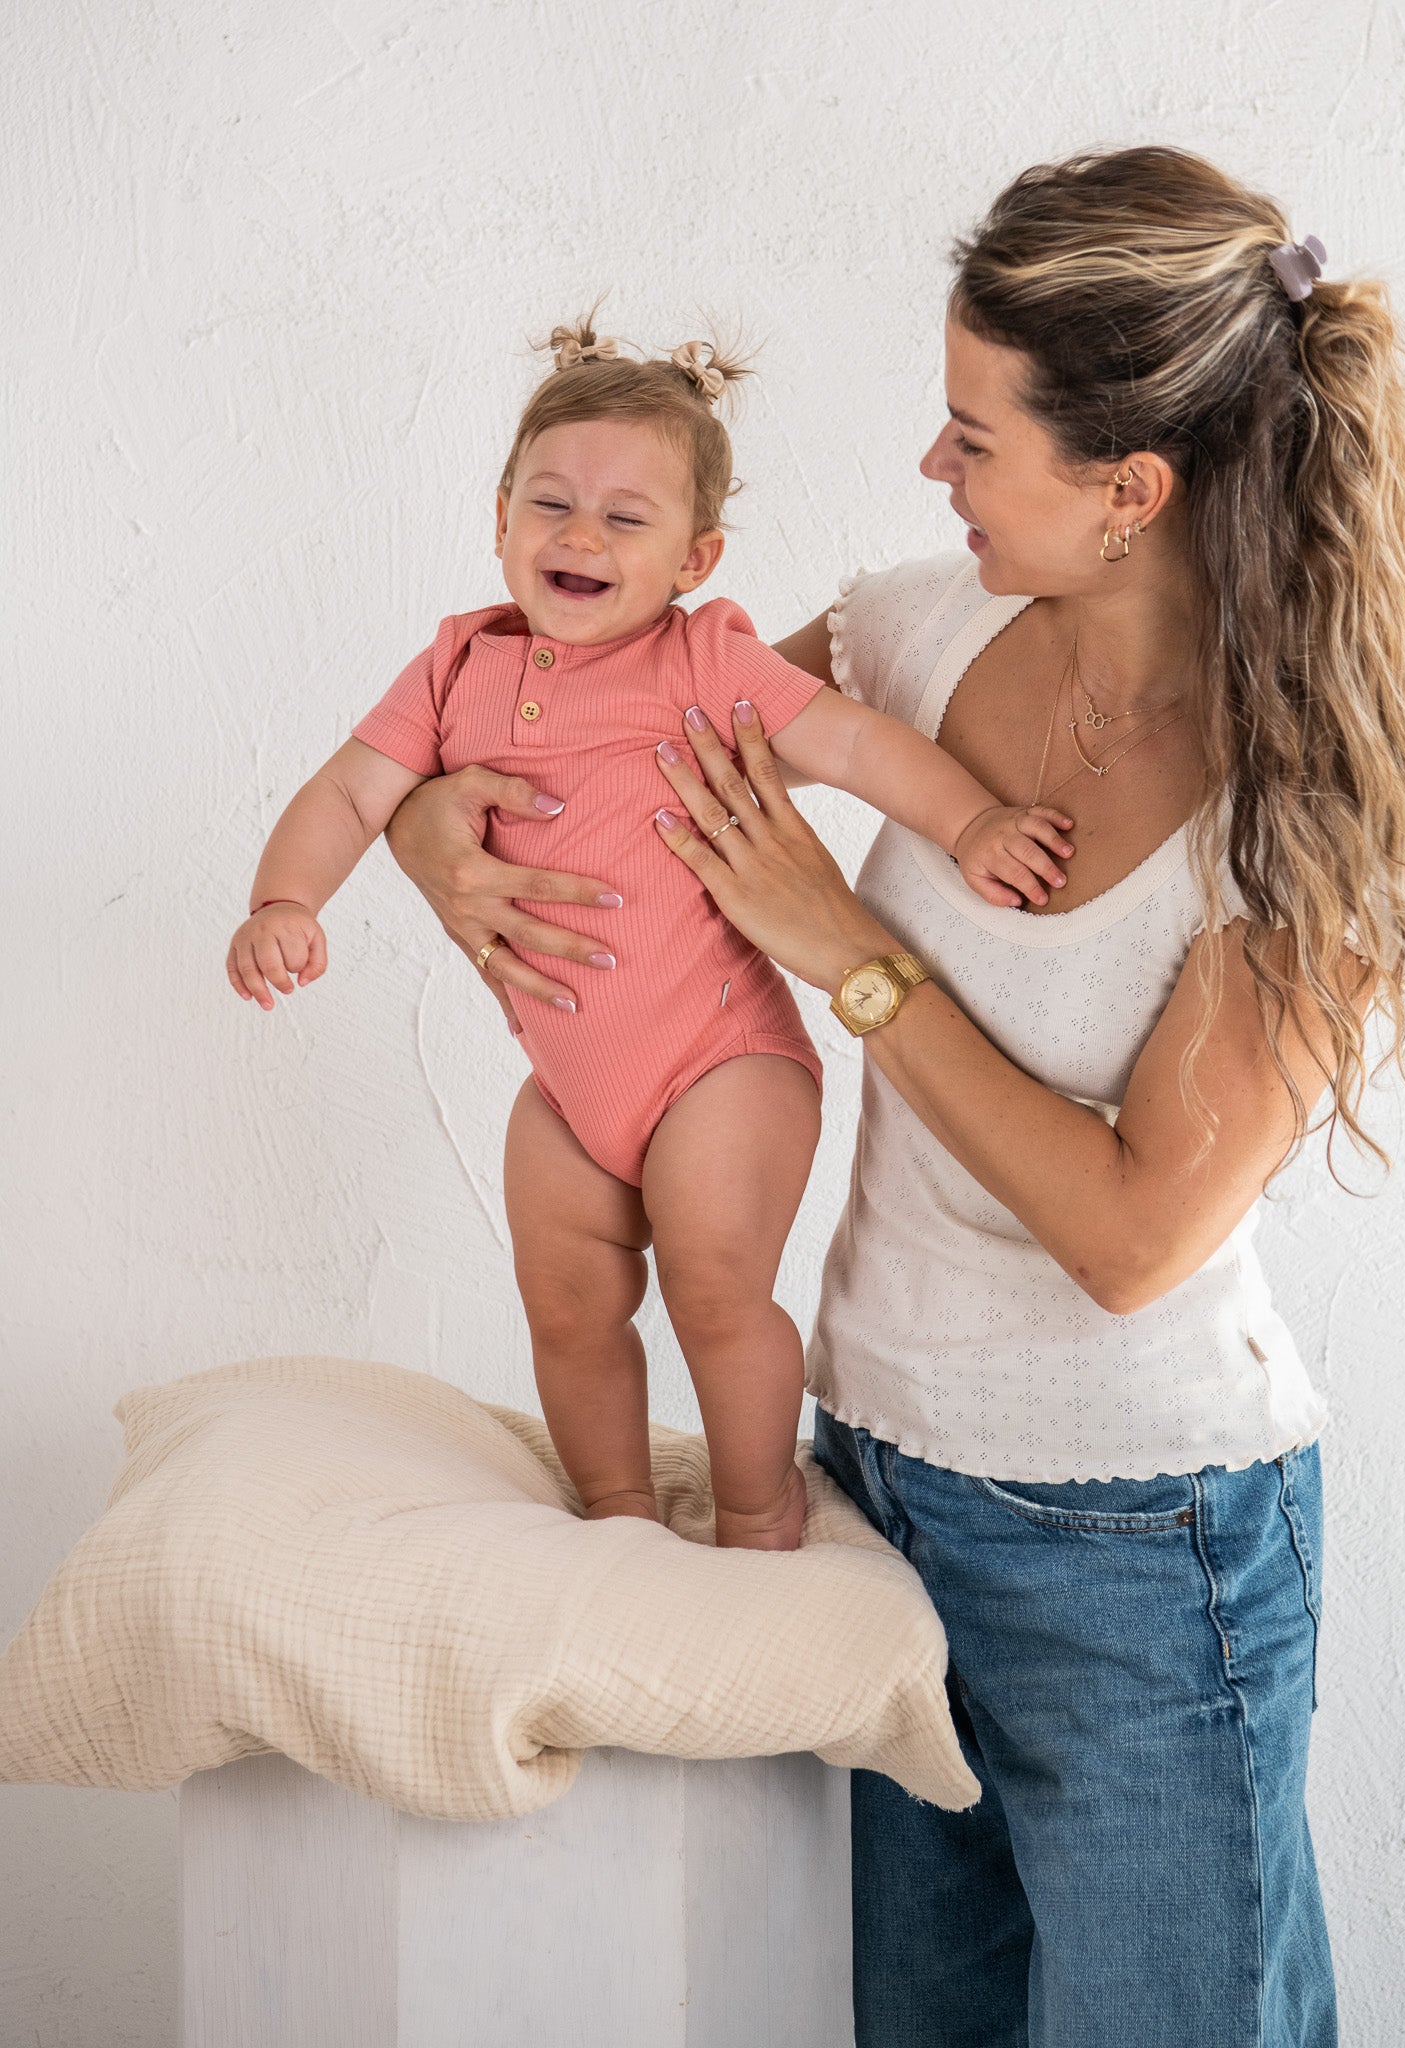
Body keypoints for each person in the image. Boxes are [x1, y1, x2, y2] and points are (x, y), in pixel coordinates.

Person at [378, 148, 1405, 2046]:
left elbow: (1135, 1234)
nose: (929, 468)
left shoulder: (1299, 810)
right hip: (875, 1490)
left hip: (1140, 1556)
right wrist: (421, 826)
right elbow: (588, 724)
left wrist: (850, 956)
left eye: (974, 437)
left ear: (1126, 491)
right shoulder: (914, 628)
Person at [223, 321, 1073, 1552]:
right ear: (500, 512)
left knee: (714, 1294)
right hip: (570, 1086)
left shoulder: (700, 655)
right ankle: (617, 1512)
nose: (579, 536)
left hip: (719, 1061)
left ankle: (755, 1506)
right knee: (565, 1305)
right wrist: (283, 900)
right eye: (552, 503)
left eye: (627, 520)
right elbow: (350, 791)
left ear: (696, 555)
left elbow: (849, 741)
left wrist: (974, 819)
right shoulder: (455, 664)